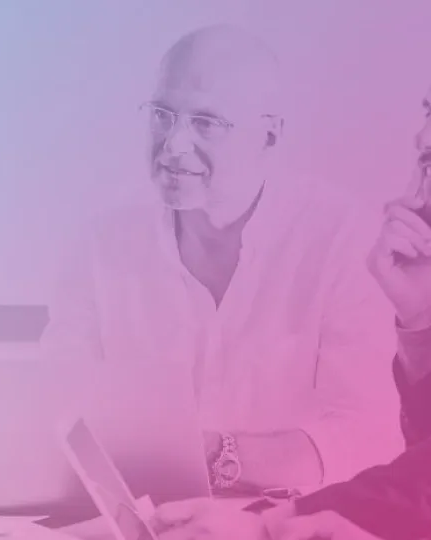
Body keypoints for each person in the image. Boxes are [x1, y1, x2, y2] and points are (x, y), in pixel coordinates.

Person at [42, 23, 403, 494]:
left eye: (206, 123)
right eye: (162, 115)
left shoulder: (341, 240)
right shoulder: (99, 247)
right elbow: (56, 412)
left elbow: (369, 438)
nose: (173, 144)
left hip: (286, 526)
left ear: (269, 135)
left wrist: (216, 457)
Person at [148, 81, 431, 540]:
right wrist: (419, 323)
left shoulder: (333, 233)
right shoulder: (105, 242)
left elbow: (375, 449)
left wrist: (267, 523)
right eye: (423, 162)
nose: (415, 199)